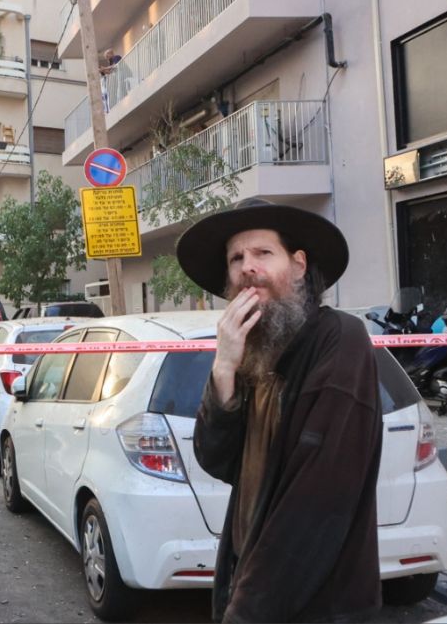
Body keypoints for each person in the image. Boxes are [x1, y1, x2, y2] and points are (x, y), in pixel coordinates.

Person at [176, 198, 382, 622]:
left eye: (262, 253)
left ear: (300, 265)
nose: (247, 267)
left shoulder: (340, 340)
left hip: (316, 608)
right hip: (251, 586)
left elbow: (314, 506)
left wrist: (246, 614)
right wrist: (224, 368)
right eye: (236, 258)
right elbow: (216, 460)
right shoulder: (257, 354)